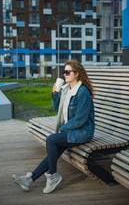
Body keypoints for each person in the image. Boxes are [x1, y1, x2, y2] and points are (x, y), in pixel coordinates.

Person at [12, 59, 95, 194]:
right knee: (54, 147)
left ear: (77, 74)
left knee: (51, 140)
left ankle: (53, 175)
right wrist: (55, 95)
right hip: (72, 129)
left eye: (68, 72)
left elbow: (81, 119)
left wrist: (64, 128)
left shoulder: (82, 92)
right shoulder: (66, 90)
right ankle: (30, 180)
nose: (65, 75)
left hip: (82, 131)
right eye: (64, 72)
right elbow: (59, 109)